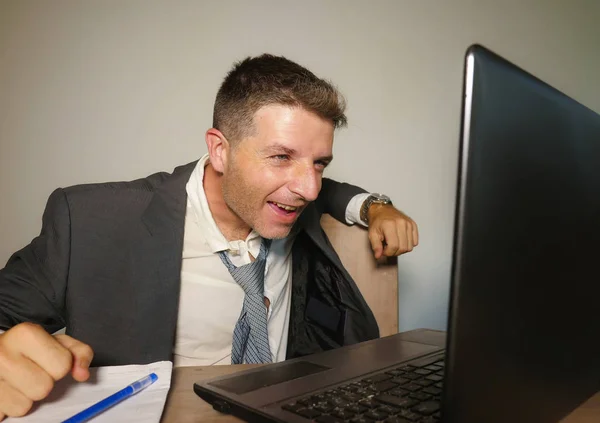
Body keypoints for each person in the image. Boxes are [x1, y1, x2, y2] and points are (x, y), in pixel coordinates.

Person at [0, 54, 418, 419]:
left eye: (320, 163)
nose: (308, 188)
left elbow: (328, 192)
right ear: (220, 151)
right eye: (280, 157)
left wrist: (374, 206)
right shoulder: (89, 220)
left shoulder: (289, 198)